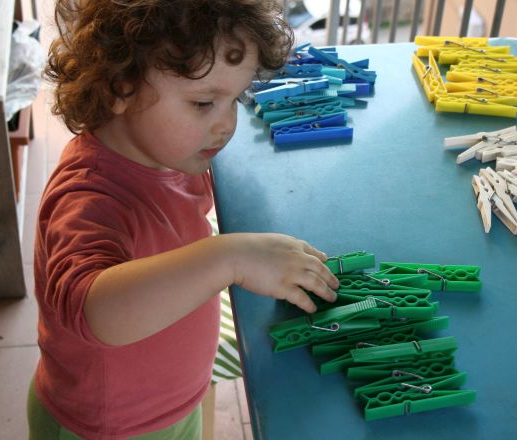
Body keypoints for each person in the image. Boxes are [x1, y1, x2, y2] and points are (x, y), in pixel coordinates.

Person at [28, 1, 339, 438]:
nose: (226, 124)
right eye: (203, 103)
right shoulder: (89, 195)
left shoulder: (170, 154)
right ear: (122, 86)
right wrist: (229, 257)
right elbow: (95, 309)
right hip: (108, 427)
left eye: (236, 98)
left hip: (171, 404)